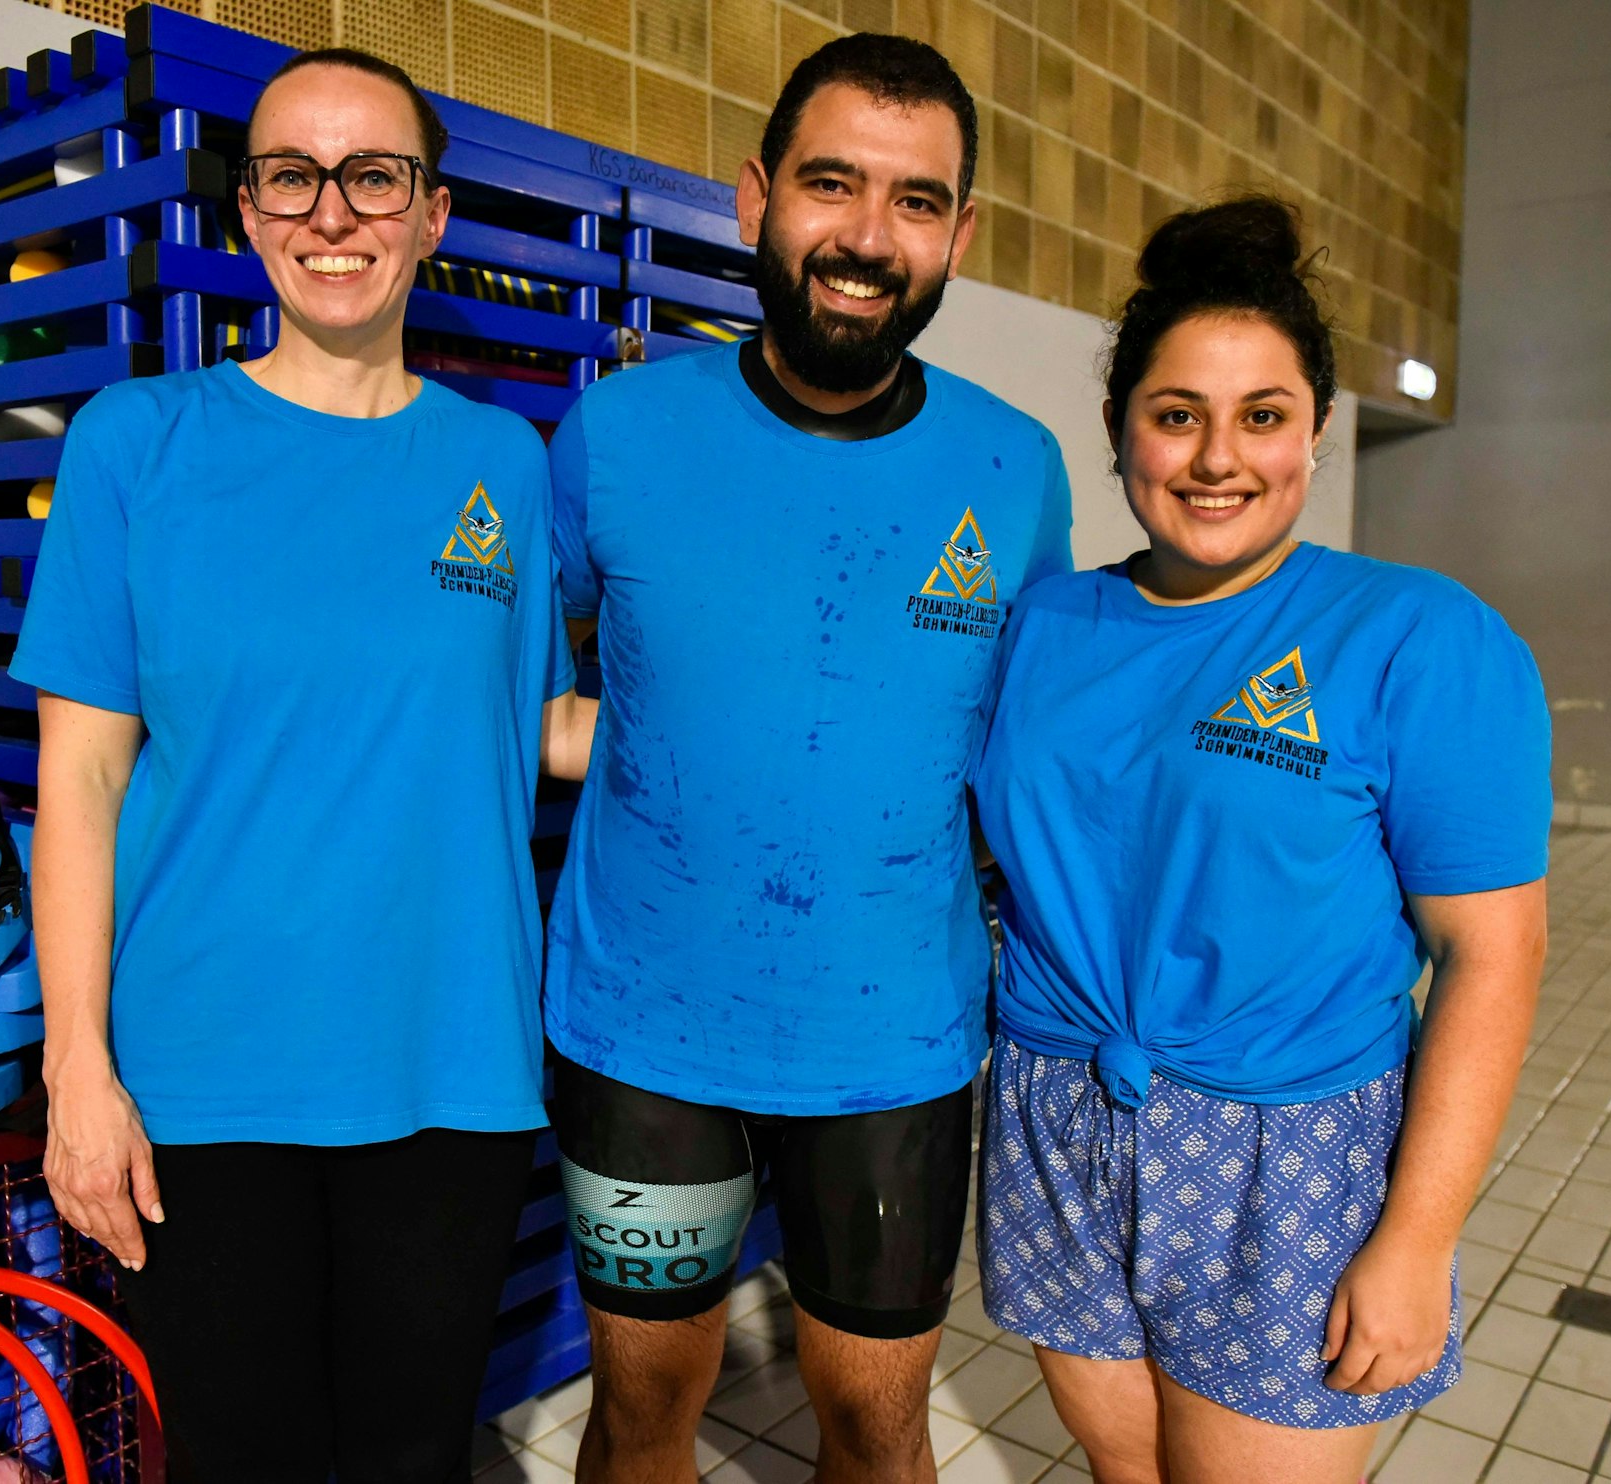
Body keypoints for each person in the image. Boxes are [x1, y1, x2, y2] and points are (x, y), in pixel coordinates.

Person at [8, 48, 593, 1484]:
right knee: (239, 1460)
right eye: (292, 175)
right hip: (206, 1076)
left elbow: (531, 730)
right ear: (248, 211)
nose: (334, 213)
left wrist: (789, 718)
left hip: (446, 1061)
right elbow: (78, 779)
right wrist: (77, 1069)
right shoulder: (137, 448)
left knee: (408, 1458)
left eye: (374, 176)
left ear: (431, 212)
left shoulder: (501, 464)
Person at [544, 35, 1073, 1484]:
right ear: (757, 198)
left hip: (891, 1041)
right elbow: (532, 691)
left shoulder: (1013, 469)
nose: (865, 236)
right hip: (645, 1029)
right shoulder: (615, 433)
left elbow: (1031, 746)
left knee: (874, 1423)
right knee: (645, 1412)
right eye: (831, 185)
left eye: (915, 201)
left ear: (960, 235)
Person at [971, 196, 1551, 1484]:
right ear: (1123, 429)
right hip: (1057, 1123)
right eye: (1177, 415)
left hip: (1284, 1152)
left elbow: (1493, 956)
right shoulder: (1050, 626)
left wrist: (1415, 1237)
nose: (1217, 457)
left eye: (1264, 415)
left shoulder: (1416, 638)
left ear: (1320, 432)